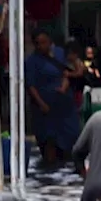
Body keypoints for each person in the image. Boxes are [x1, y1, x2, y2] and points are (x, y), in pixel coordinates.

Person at [25, 29, 82, 168]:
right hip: (45, 110)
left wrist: (71, 75)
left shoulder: (60, 53)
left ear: (50, 41)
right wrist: (41, 104)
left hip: (64, 107)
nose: (41, 46)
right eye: (38, 43)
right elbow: (31, 86)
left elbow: (73, 68)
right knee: (49, 143)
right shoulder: (32, 61)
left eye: (44, 42)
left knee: (70, 140)